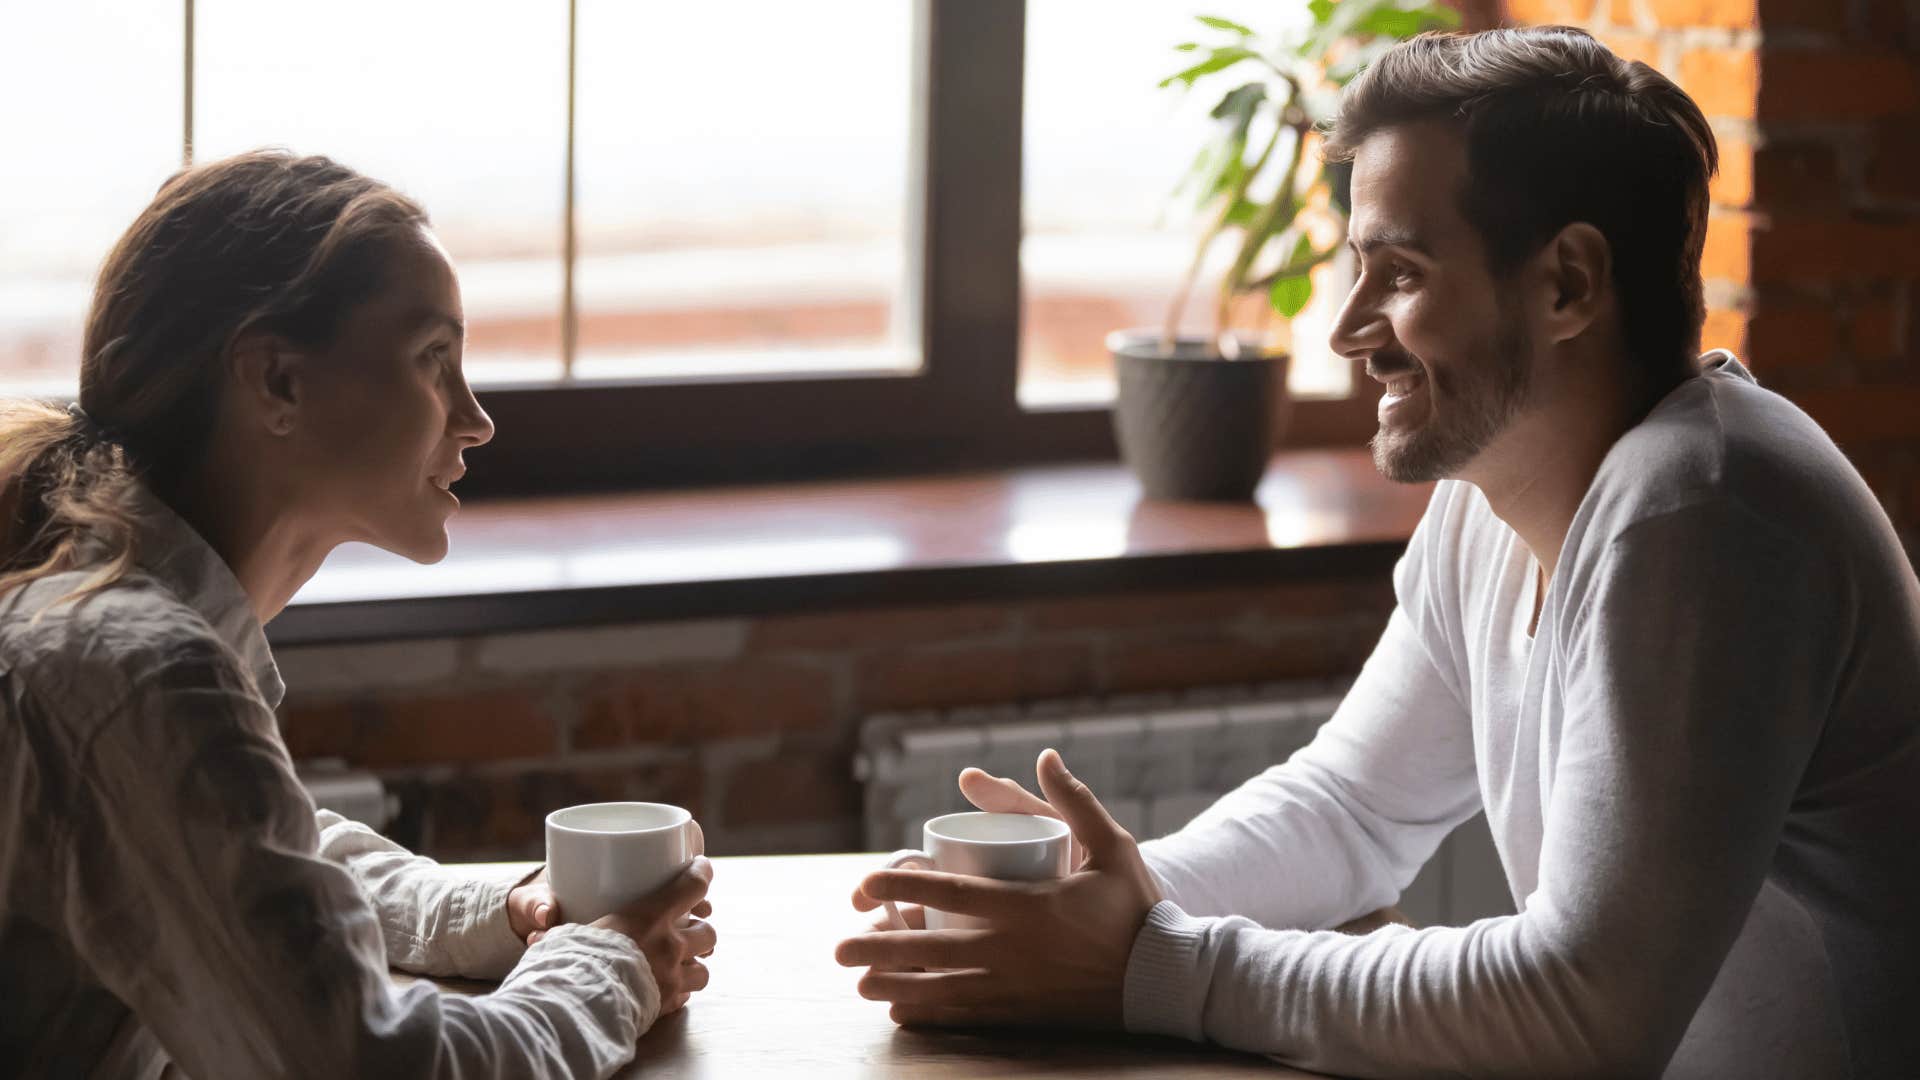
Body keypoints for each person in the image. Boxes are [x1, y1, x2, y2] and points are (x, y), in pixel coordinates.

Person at [836, 27, 1920, 1078]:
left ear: (1567, 287)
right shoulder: (1493, 493)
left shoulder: (1703, 510)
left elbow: (1587, 1008)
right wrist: (1103, 902)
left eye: (1396, 273)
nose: (1347, 328)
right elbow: (1353, 808)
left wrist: (1143, 963)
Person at [0, 151, 716, 1078]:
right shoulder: (137, 670)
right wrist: (611, 965)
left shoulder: (114, 623)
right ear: (277, 383)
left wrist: (503, 916)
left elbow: (249, 857)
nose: (475, 418)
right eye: (433, 358)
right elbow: (370, 1065)